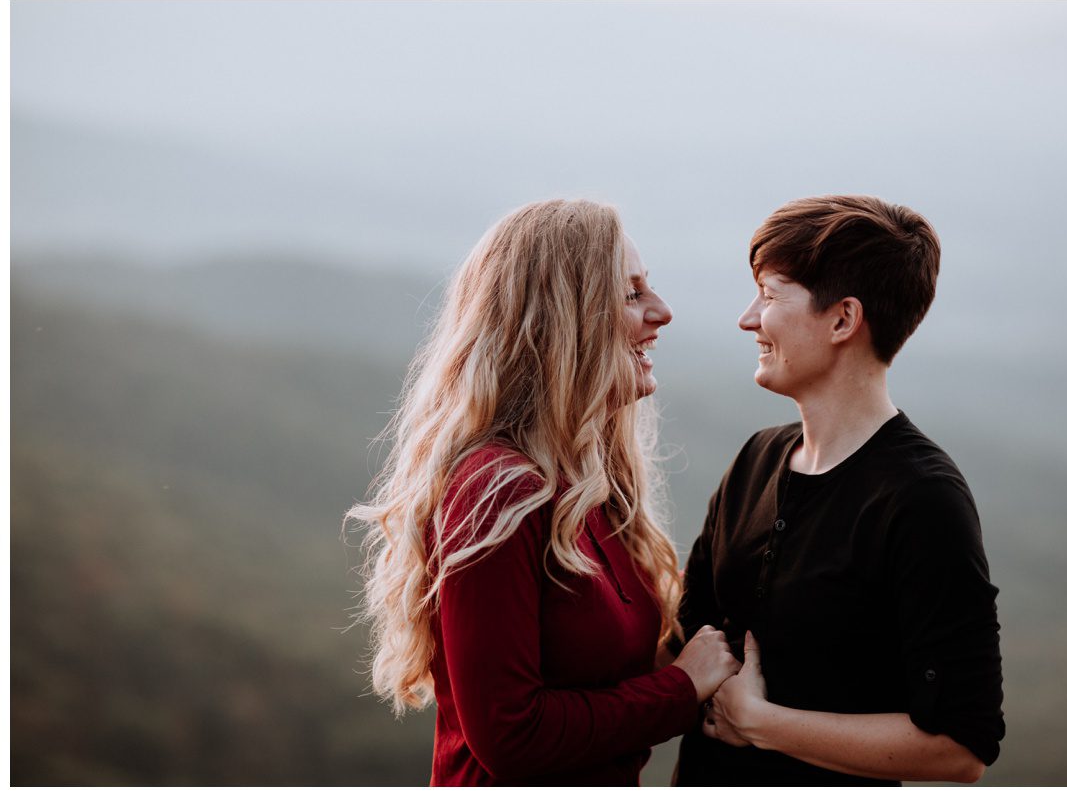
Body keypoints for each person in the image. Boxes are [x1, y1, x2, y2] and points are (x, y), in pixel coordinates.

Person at [347, 199, 738, 786]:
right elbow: (512, 734)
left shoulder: (589, 484)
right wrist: (682, 686)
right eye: (631, 295)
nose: (663, 312)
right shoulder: (497, 491)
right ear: (563, 319)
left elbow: (595, 672)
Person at [674, 195, 1005, 785]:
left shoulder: (923, 500)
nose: (748, 318)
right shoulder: (757, 459)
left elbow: (961, 746)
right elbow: (684, 638)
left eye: (770, 296)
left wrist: (762, 722)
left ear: (843, 320)